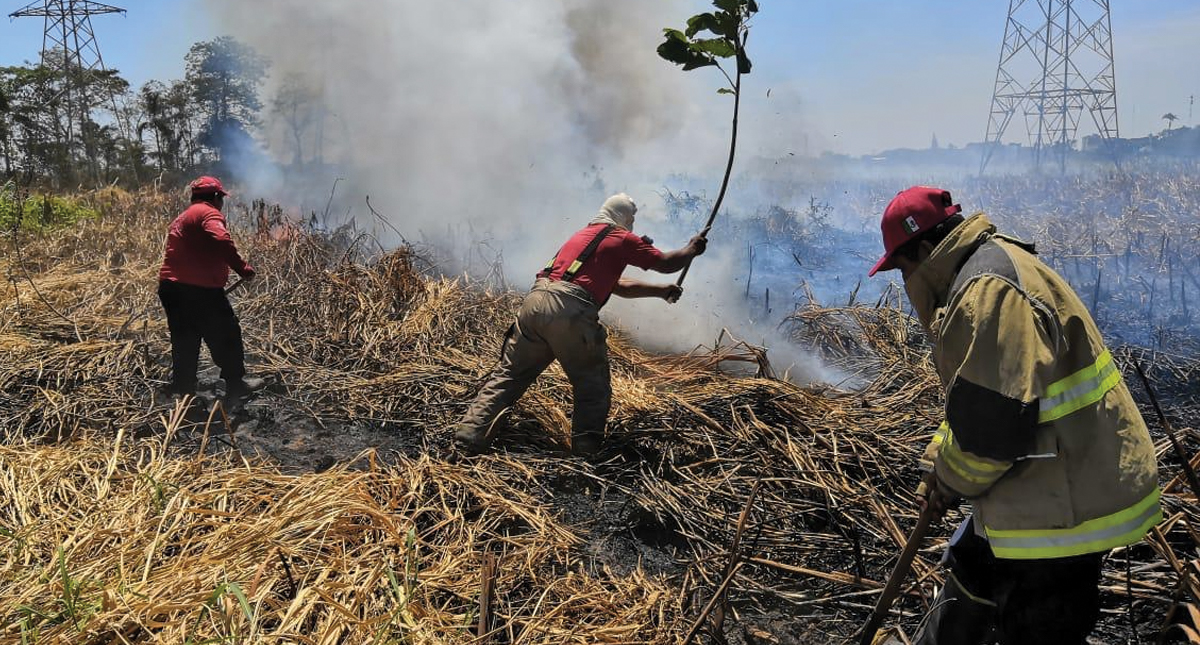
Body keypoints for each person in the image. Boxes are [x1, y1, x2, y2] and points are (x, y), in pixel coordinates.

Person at [868, 186, 1161, 645]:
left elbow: (992, 432)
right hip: (1047, 481)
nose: (906, 283)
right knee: (970, 573)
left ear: (925, 251)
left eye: (904, 268)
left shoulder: (988, 291)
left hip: (1062, 508)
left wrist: (950, 481)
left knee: (1036, 628)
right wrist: (936, 465)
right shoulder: (989, 269)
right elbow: (979, 399)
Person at [453, 193, 707, 457]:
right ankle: (585, 456)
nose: (632, 224)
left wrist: (660, 291)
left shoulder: (582, 236)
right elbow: (667, 263)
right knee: (591, 387)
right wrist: (692, 248)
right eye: (632, 218)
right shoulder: (622, 238)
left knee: (509, 377)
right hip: (569, 310)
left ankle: (466, 443)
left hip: (534, 304)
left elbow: (618, 285)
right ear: (624, 217)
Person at [158, 176, 264, 399]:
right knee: (227, 334)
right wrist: (243, 269)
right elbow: (221, 240)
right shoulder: (208, 213)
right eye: (221, 198)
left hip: (171, 288)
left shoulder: (183, 217)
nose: (221, 203)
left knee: (185, 338)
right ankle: (235, 384)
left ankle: (184, 388)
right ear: (216, 197)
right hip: (198, 291)